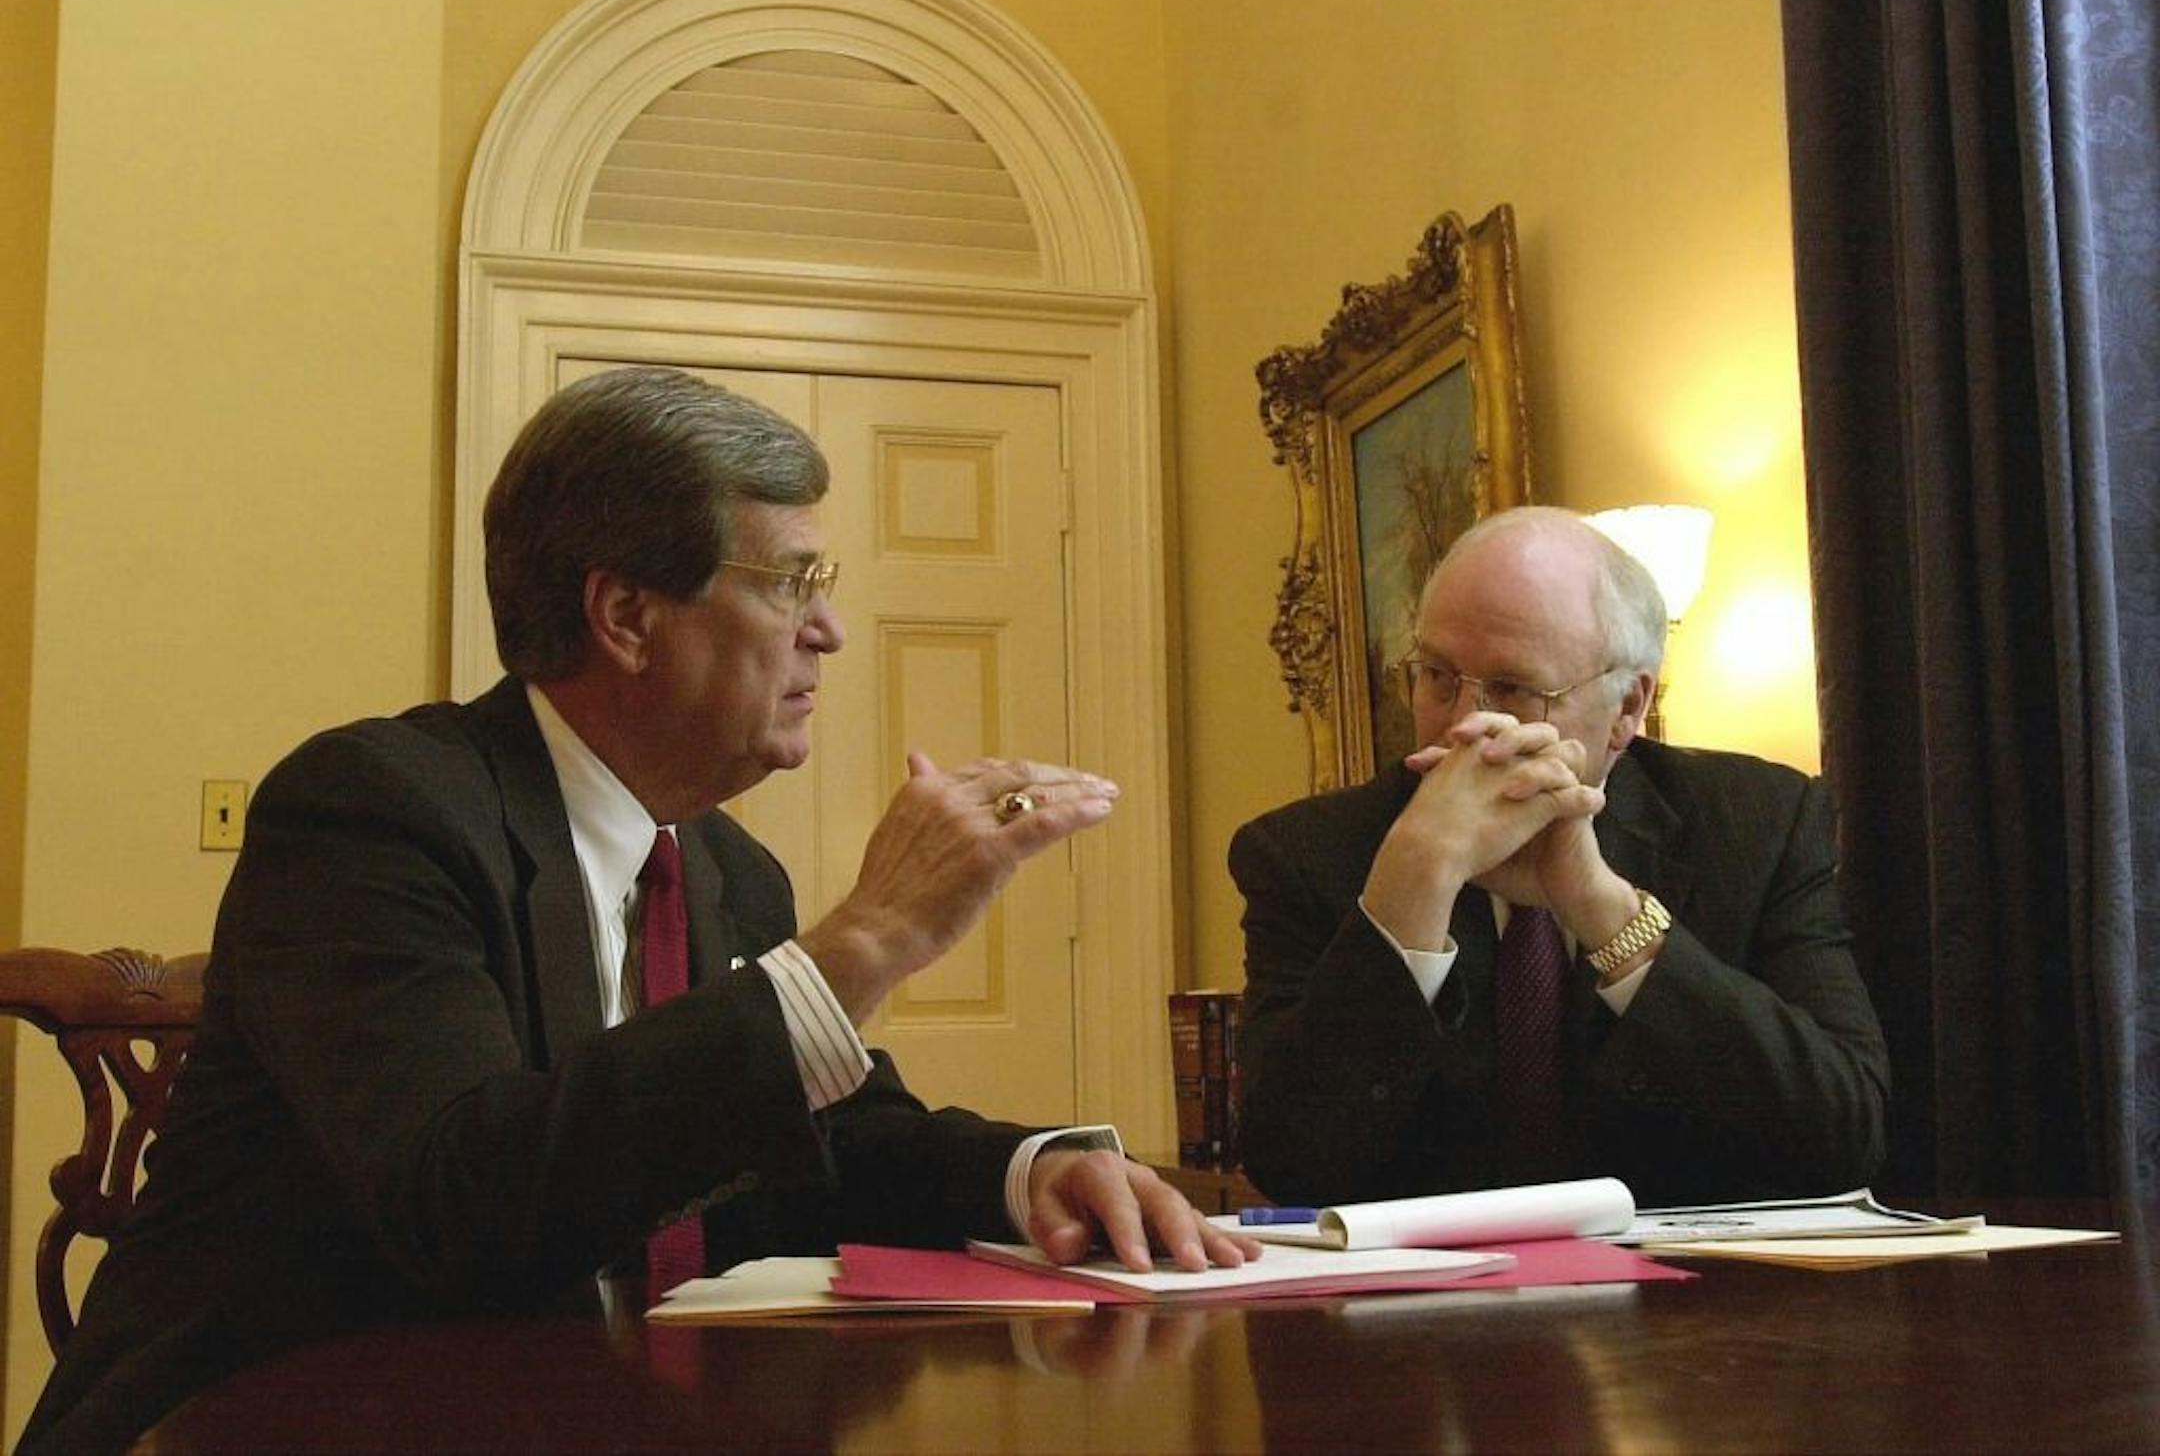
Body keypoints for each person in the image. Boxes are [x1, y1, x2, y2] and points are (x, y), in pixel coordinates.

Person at [23, 367, 1251, 1453]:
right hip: (265, 1420)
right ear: (624, 616)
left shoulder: (728, 871)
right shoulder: (374, 811)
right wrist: (870, 940)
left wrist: (1035, 1173)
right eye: (793, 582)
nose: (830, 631)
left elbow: (828, 1147)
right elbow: (462, 1204)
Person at [1230, 506, 1888, 1208]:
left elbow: (1845, 1138)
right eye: (1438, 676)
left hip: (1686, 1275)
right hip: (1431, 1279)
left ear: (1627, 707)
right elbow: (1290, 1165)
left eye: (1514, 688)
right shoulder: (1306, 854)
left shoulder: (1758, 824)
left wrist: (1603, 907)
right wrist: (1410, 890)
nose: (1464, 725)